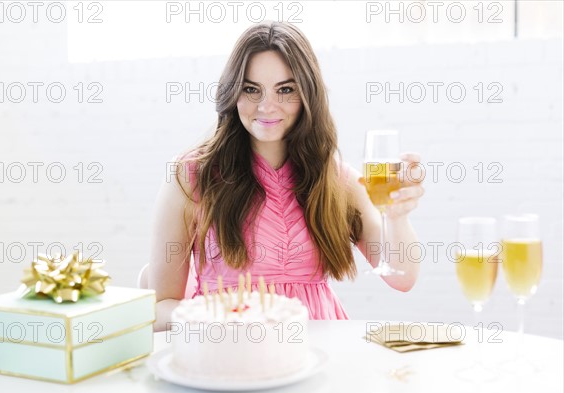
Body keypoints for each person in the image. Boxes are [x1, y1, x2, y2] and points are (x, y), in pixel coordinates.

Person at [147, 21, 425, 331]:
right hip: (231, 355)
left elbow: (402, 277)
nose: (267, 106)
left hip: (321, 352)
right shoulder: (190, 177)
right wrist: (213, 317)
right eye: (251, 89)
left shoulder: (337, 180)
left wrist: (398, 217)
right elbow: (157, 309)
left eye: (286, 89)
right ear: (233, 92)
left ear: (308, 94)